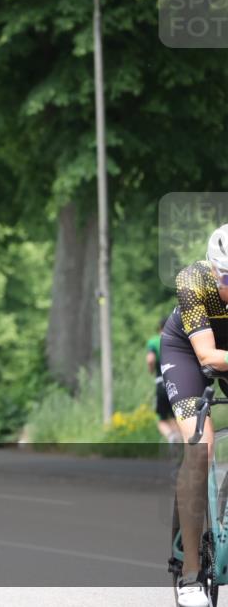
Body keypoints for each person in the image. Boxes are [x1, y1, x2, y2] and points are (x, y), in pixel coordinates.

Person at [162, 225, 228, 607]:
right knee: (200, 447)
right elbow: (207, 357)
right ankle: (190, 571)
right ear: (213, 270)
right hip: (189, 351)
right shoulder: (192, 280)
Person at [148, 318, 179, 443]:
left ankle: (171, 438)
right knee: (177, 416)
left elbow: (150, 359)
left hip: (161, 383)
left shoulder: (154, 341)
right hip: (178, 382)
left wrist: (151, 370)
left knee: (161, 419)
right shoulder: (177, 340)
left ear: (159, 328)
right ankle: (181, 444)